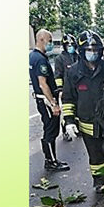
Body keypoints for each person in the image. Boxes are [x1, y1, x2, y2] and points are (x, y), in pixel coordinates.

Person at [62, 30, 104, 194]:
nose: (92, 53)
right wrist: (69, 121)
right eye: (89, 50)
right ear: (81, 51)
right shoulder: (73, 72)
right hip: (87, 123)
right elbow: (68, 98)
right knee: (95, 156)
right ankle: (100, 181)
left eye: (95, 50)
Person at [29, 29, 70, 172]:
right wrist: (53, 103)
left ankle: (50, 159)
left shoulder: (33, 56)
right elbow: (42, 83)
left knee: (49, 128)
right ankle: (51, 161)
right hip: (46, 101)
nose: (51, 43)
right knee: (51, 130)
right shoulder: (40, 59)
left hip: (42, 99)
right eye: (50, 40)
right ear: (41, 39)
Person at [54, 33, 79, 141]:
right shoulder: (60, 59)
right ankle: (65, 132)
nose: (70, 47)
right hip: (66, 90)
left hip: (78, 89)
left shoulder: (78, 56)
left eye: (72, 45)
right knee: (66, 112)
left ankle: (78, 128)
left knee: (78, 110)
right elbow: (58, 75)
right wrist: (60, 89)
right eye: (68, 45)